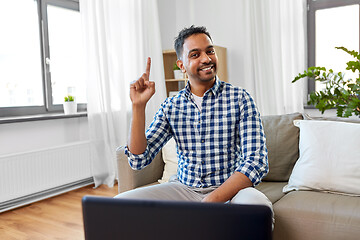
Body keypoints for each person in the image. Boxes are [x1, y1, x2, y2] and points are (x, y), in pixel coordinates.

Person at [115, 26, 273, 218]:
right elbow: (139, 159)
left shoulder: (240, 98)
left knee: (259, 209)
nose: (206, 59)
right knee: (119, 206)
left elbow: (256, 161)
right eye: (195, 54)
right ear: (181, 65)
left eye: (210, 51)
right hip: (183, 189)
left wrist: (210, 202)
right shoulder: (171, 105)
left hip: (231, 191)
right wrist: (138, 107)